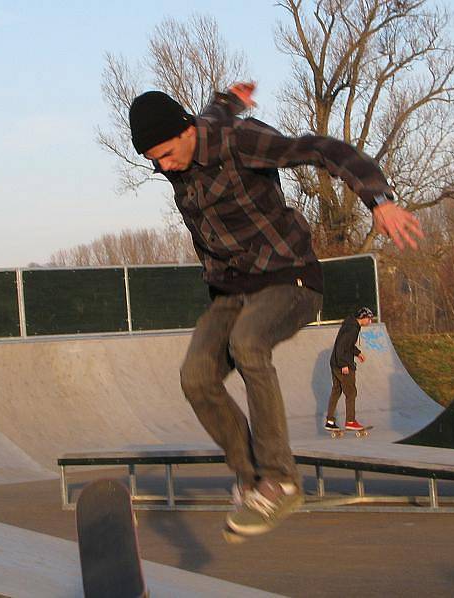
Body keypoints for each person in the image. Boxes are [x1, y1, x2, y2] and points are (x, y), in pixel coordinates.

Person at [128, 83, 423, 537]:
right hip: (230, 291)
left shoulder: (240, 142)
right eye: (156, 162)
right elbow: (213, 111)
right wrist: (229, 97)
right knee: (196, 377)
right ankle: (254, 483)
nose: (164, 167)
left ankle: (282, 481)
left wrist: (378, 200)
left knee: (249, 343)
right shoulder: (187, 141)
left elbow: (320, 147)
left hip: (290, 278)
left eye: (166, 155)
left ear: (186, 130)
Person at [325, 306, 375, 432]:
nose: (370, 322)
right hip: (342, 363)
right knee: (351, 392)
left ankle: (330, 421)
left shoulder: (351, 324)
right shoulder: (352, 328)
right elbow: (342, 346)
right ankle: (351, 421)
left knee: (336, 391)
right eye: (369, 319)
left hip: (334, 362)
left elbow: (348, 345)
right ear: (362, 318)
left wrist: (358, 353)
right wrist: (343, 365)